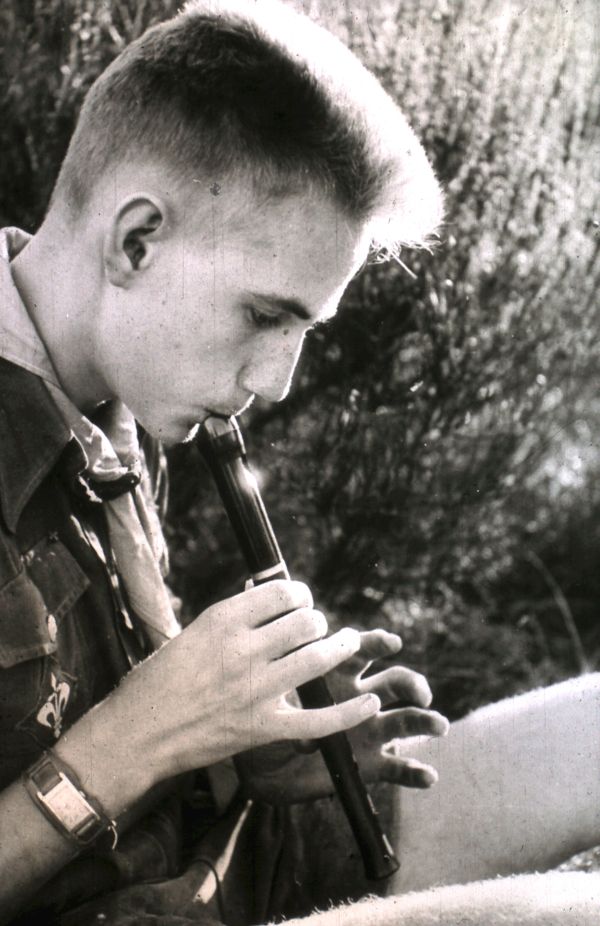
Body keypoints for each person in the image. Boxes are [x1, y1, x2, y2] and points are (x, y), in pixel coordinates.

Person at [0, 1, 598, 923]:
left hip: (235, 862)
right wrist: (138, 741)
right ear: (135, 240)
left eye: (304, 327)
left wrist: (241, 751)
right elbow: (122, 745)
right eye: (264, 315)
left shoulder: (123, 391)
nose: (277, 382)